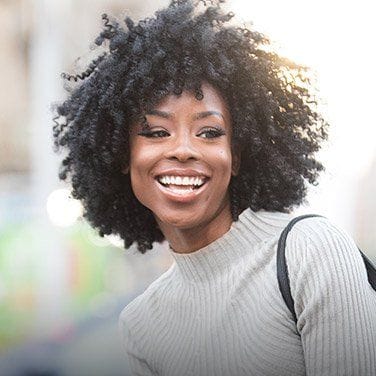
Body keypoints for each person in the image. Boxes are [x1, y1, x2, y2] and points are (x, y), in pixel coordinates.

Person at [52, 0, 376, 375]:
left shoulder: (310, 251)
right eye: (157, 132)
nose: (184, 150)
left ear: (235, 156)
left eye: (209, 132)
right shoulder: (141, 325)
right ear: (122, 155)